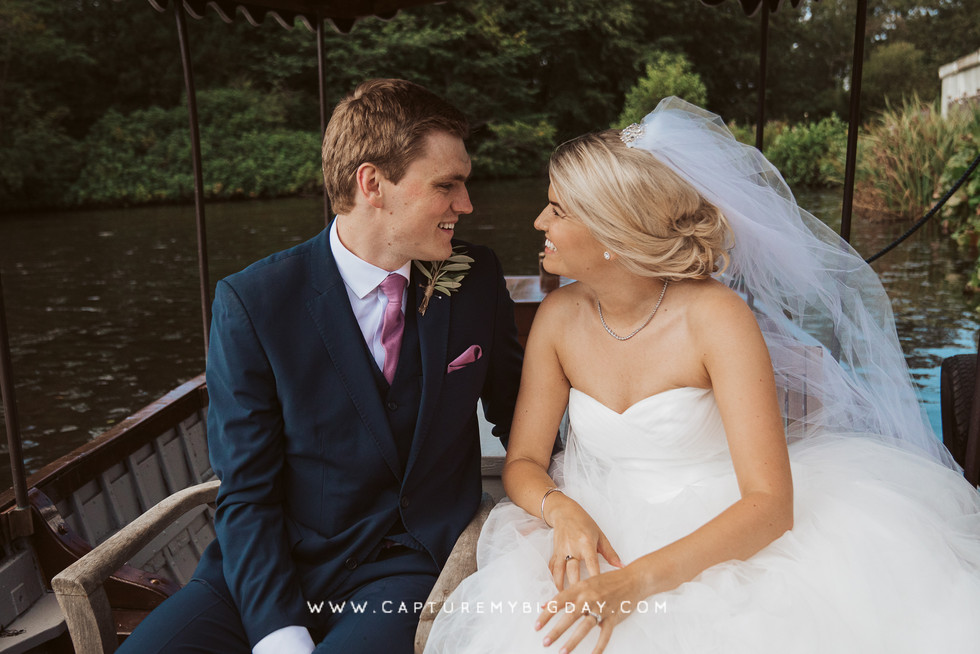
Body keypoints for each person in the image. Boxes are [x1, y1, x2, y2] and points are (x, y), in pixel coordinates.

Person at [423, 97, 980, 654]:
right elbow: (523, 462)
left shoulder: (716, 318)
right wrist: (561, 509)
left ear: (613, 232)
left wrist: (633, 582)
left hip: (728, 534)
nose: (539, 222)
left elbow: (770, 505)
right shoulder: (557, 317)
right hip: (597, 517)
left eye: (556, 210)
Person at [119, 78, 523, 654]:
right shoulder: (254, 302)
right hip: (267, 568)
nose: (467, 204)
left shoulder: (475, 278)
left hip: (403, 568)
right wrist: (277, 632)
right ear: (372, 183)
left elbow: (518, 413)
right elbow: (247, 490)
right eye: (447, 185)